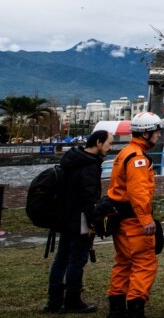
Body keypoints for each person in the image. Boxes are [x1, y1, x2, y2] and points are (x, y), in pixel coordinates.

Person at [45, 129, 112, 314]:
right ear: (98, 142)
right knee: (77, 260)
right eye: (108, 143)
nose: (110, 147)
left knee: (61, 258)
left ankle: (54, 300)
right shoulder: (89, 166)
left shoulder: (72, 160)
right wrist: (93, 224)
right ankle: (73, 300)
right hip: (80, 219)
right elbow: (89, 199)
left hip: (64, 217)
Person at [107, 111, 162, 318]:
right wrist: (146, 220)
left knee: (123, 262)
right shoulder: (138, 158)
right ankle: (135, 308)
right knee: (144, 262)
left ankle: (116, 307)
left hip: (121, 218)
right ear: (146, 133)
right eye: (156, 132)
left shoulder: (126, 152)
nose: (158, 135)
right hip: (133, 221)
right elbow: (138, 192)